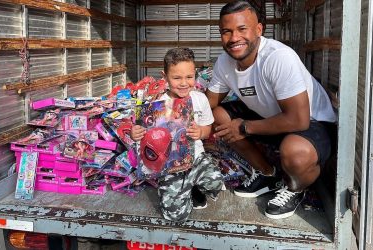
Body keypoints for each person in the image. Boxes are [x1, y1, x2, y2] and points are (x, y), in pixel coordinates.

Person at [206, 1, 336, 219]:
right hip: (270, 118)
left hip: (311, 122)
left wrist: (245, 127)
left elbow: (299, 119)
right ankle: (267, 174)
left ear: (259, 29)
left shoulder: (278, 57)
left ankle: (295, 188)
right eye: (226, 32)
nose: (234, 38)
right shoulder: (224, 62)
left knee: (295, 154)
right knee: (217, 115)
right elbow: (209, 103)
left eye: (242, 29)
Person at [130, 48, 224, 222]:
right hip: (169, 164)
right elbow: (142, 136)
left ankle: (194, 186)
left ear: (195, 74)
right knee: (175, 216)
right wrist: (136, 134)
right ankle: (180, 189)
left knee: (216, 183)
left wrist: (200, 132)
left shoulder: (199, 99)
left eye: (189, 77)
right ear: (164, 76)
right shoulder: (155, 105)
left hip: (196, 158)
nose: (184, 83)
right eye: (176, 78)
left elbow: (207, 128)